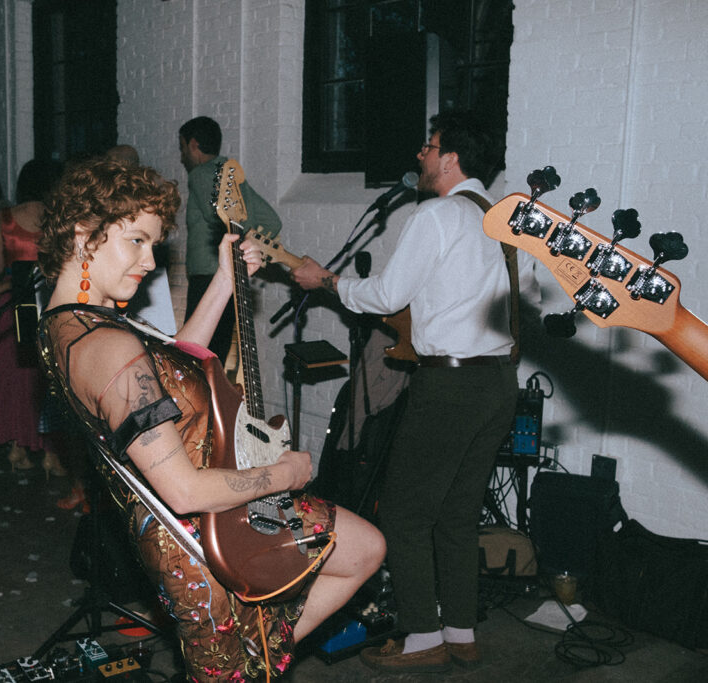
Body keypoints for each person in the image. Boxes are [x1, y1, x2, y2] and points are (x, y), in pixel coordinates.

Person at [37, 159, 385, 681]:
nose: (150, 260)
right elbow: (183, 491)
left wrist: (224, 282)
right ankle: (253, 658)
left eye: (154, 244)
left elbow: (176, 364)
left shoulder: (72, 326)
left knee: (363, 549)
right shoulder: (107, 347)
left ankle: (260, 653)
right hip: (198, 545)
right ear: (86, 234)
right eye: (136, 240)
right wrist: (288, 474)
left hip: (223, 517)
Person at [292, 110, 524, 673]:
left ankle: (423, 637)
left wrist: (327, 281)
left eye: (429, 146)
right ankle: (461, 631)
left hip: (449, 383)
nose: (419, 155)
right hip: (498, 382)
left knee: (403, 514)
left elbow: (388, 295)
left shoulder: (437, 214)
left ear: (450, 159)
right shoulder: (502, 219)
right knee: (458, 515)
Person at [0, 159, 67, 476]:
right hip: (45, 299)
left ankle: (16, 448)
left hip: (13, 301)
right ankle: (52, 454)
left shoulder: (6, 216)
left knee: (12, 379)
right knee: (47, 378)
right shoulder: (57, 217)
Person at [178, 116, 281, 360]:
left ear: (193, 144)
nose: (182, 156)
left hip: (209, 278)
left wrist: (235, 241)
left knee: (194, 358)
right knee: (217, 355)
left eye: (182, 148)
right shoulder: (230, 174)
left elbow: (221, 219)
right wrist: (248, 249)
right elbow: (272, 222)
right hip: (230, 278)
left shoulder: (201, 174)